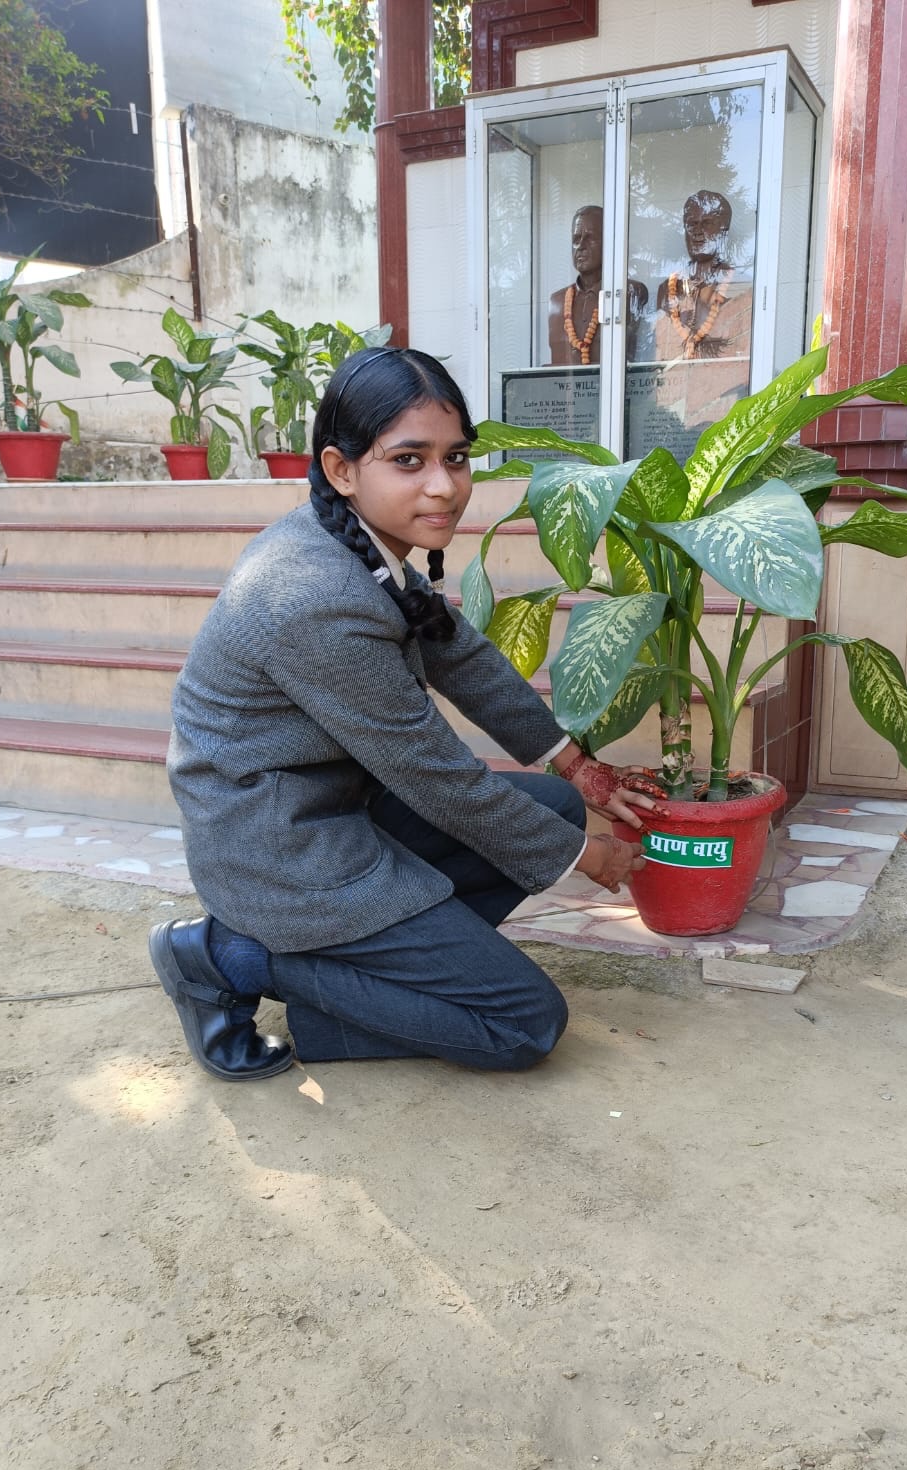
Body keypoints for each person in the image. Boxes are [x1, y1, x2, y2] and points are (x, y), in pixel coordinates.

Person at [149, 346, 666, 1082]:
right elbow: (437, 776)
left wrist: (576, 767)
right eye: (409, 460)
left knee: (551, 807)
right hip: (281, 850)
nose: (444, 486)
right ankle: (230, 956)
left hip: (334, 807)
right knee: (523, 1024)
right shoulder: (315, 598)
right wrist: (584, 857)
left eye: (457, 458)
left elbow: (460, 655)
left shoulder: (353, 541)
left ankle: (363, 993)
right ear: (341, 469)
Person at [653, 190, 753, 362]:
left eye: (707, 223)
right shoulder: (668, 289)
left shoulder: (741, 287)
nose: (697, 231)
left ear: (723, 230)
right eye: (692, 224)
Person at [546, 204, 647, 366]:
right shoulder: (557, 301)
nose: (580, 246)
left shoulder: (630, 292)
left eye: (589, 238)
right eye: (576, 239)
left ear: (609, 243)